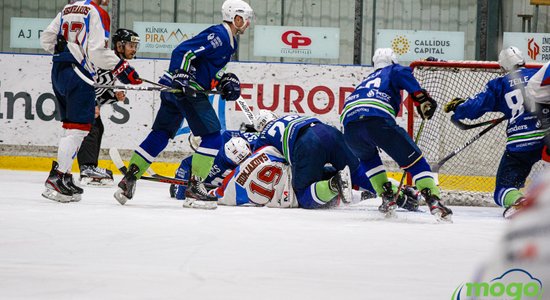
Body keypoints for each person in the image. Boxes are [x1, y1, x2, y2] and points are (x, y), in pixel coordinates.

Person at [114, 0, 254, 209]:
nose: (248, 23)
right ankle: (195, 188)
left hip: (176, 89)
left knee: (161, 133)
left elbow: (207, 68)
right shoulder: (220, 35)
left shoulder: (229, 41)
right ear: (236, 17)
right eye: (246, 18)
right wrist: (181, 74)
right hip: (186, 90)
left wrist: (223, 81)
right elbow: (183, 52)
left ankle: (129, 179)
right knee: (213, 137)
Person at [40, 0, 141, 203]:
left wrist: (66, 53)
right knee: (79, 130)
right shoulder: (96, 12)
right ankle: (58, 177)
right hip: (80, 74)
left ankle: (65, 176)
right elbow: (97, 54)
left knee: (71, 128)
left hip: (59, 71)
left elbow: (46, 40)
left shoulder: (67, 9)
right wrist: (124, 69)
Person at [340, 48, 453, 221]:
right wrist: (421, 99)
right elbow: (405, 76)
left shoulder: (364, 81)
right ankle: (433, 200)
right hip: (378, 121)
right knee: (415, 161)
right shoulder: (394, 69)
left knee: (369, 160)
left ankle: (387, 198)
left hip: (350, 129)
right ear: (393, 61)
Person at [444, 46, 544, 218]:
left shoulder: (499, 84)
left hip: (519, 144)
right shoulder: (539, 74)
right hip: (546, 136)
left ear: (502, 67)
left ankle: (520, 201)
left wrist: (459, 108)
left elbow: (473, 108)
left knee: (502, 190)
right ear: (522, 61)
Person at [252, 110, 377, 209]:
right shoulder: (290, 116)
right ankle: (391, 191)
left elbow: (257, 163)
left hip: (307, 144)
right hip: (330, 132)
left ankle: (334, 184)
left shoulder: (263, 136)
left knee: (302, 195)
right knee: (357, 173)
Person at [78, 28, 141, 186]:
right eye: (131, 46)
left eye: (135, 46)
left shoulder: (115, 63)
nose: (134, 50)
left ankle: (84, 167)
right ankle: (87, 168)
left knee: (96, 127)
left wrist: (113, 96)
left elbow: (99, 91)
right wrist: (91, 102)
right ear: (120, 46)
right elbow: (86, 80)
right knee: (91, 127)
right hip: (79, 94)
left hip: (85, 97)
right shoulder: (108, 60)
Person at [169, 133, 255, 209]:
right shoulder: (215, 159)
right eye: (241, 161)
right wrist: (181, 184)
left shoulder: (229, 136)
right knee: (179, 194)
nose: (246, 161)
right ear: (231, 161)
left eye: (247, 156)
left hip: (215, 185)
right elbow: (186, 163)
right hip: (203, 186)